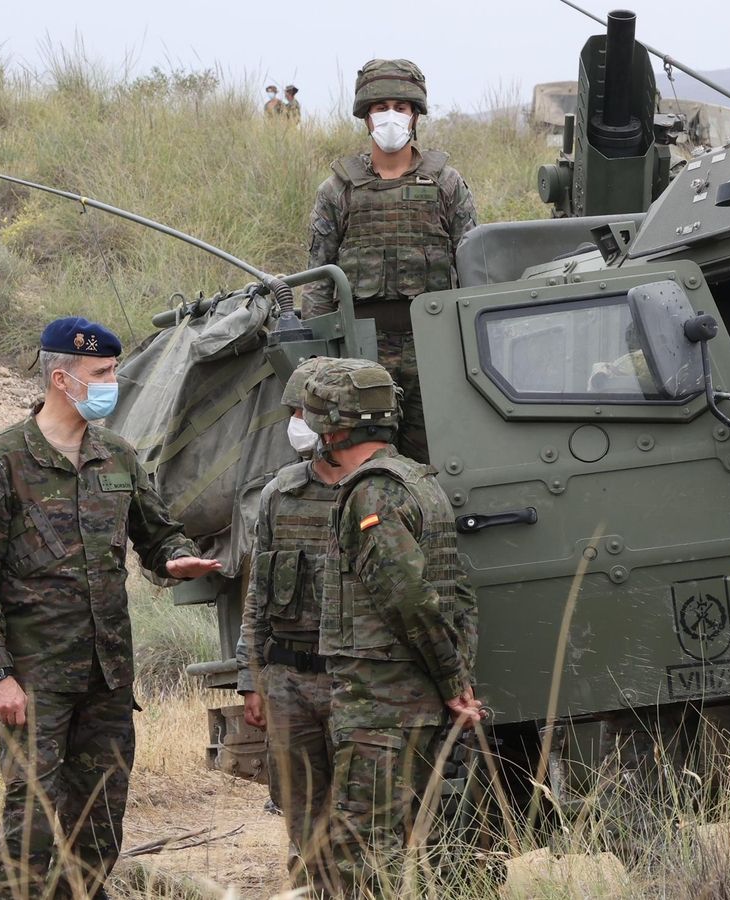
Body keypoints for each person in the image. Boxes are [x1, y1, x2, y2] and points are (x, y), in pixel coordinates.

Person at [0, 317, 223, 899]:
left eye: (113, 372)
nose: (113, 383)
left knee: (101, 821)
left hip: (108, 677)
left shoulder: (117, 456)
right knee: (32, 822)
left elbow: (159, 532)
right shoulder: (1, 460)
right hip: (36, 681)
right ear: (61, 378)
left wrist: (175, 558)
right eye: (101, 374)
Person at [300, 359, 481, 896]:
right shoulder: (420, 483)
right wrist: (456, 676)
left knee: (362, 847)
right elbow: (458, 595)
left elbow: (407, 599)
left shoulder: (371, 493)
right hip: (416, 698)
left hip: (380, 704)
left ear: (336, 429)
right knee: (418, 842)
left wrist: (452, 683)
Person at [300, 58, 480, 464]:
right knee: (358, 459)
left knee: (436, 461)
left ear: (416, 114)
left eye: (401, 107)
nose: (391, 117)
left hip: (434, 347)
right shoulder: (337, 190)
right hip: (361, 351)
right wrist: (319, 364)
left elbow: (472, 270)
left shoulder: (446, 183)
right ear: (366, 116)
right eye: (381, 108)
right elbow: (318, 282)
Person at [237, 356, 343, 889]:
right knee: (304, 825)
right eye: (295, 410)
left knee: (365, 825)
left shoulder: (383, 491)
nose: (299, 421)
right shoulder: (279, 494)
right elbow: (258, 595)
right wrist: (249, 679)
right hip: (289, 683)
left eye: (308, 410)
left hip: (358, 682)